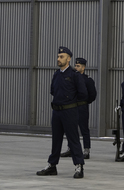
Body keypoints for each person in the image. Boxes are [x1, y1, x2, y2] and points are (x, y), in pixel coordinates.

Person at [37, 47, 87, 179]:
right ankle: (52, 166)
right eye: (58, 56)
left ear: (68, 58)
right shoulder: (56, 74)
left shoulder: (74, 75)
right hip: (57, 111)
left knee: (73, 139)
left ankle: (79, 165)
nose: (58, 59)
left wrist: (71, 102)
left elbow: (83, 93)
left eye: (62, 57)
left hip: (69, 111)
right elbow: (53, 91)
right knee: (56, 140)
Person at [60, 57, 97, 159]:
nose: (76, 67)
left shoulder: (87, 80)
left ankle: (86, 150)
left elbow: (92, 95)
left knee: (84, 128)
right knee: (71, 129)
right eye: (75, 65)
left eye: (78, 66)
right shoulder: (71, 79)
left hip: (82, 107)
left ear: (83, 67)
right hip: (72, 107)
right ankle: (71, 149)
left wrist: (84, 102)